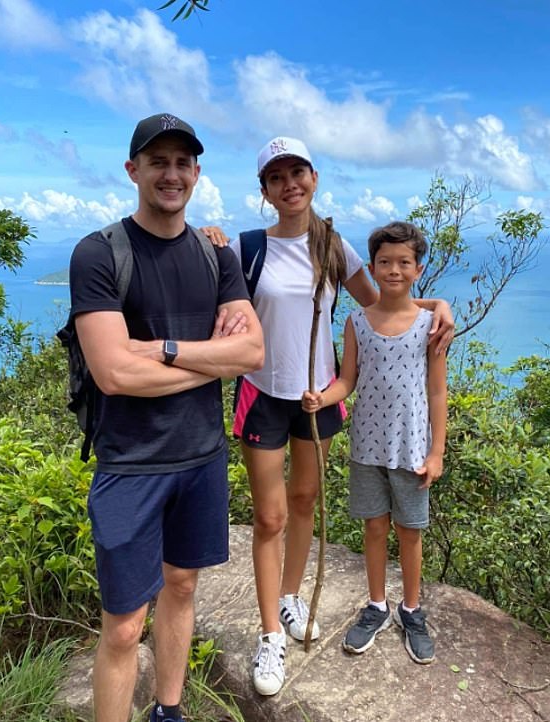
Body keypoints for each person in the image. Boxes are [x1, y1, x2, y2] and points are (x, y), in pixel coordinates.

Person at [203, 138, 453, 695]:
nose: (289, 183)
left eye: (298, 172)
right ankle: (271, 634)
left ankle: (291, 597)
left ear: (313, 177)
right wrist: (208, 238)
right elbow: (212, 293)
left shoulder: (335, 246)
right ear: (264, 190)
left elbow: (384, 303)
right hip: (263, 391)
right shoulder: (248, 248)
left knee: (303, 503)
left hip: (320, 396)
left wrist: (440, 306)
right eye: (276, 177)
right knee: (268, 518)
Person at [68, 113, 263, 722]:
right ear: (134, 171)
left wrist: (165, 350)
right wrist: (215, 362)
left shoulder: (215, 255)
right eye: (158, 162)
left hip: (201, 457)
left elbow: (253, 352)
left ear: (197, 173)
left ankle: (168, 712)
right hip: (130, 464)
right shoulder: (99, 254)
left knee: (182, 588)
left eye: (183, 162)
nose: (171, 174)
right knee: (124, 627)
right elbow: (114, 374)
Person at [303, 221, 447, 665]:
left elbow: (438, 390)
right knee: (374, 527)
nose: (394, 270)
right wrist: (321, 397)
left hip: (411, 448)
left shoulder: (431, 326)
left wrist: (437, 452)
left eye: (404, 262)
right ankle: (377, 605)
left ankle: (411, 609)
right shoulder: (356, 322)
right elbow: (348, 380)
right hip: (367, 446)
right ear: (371, 266)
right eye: (385, 262)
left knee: (410, 531)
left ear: (419, 269)